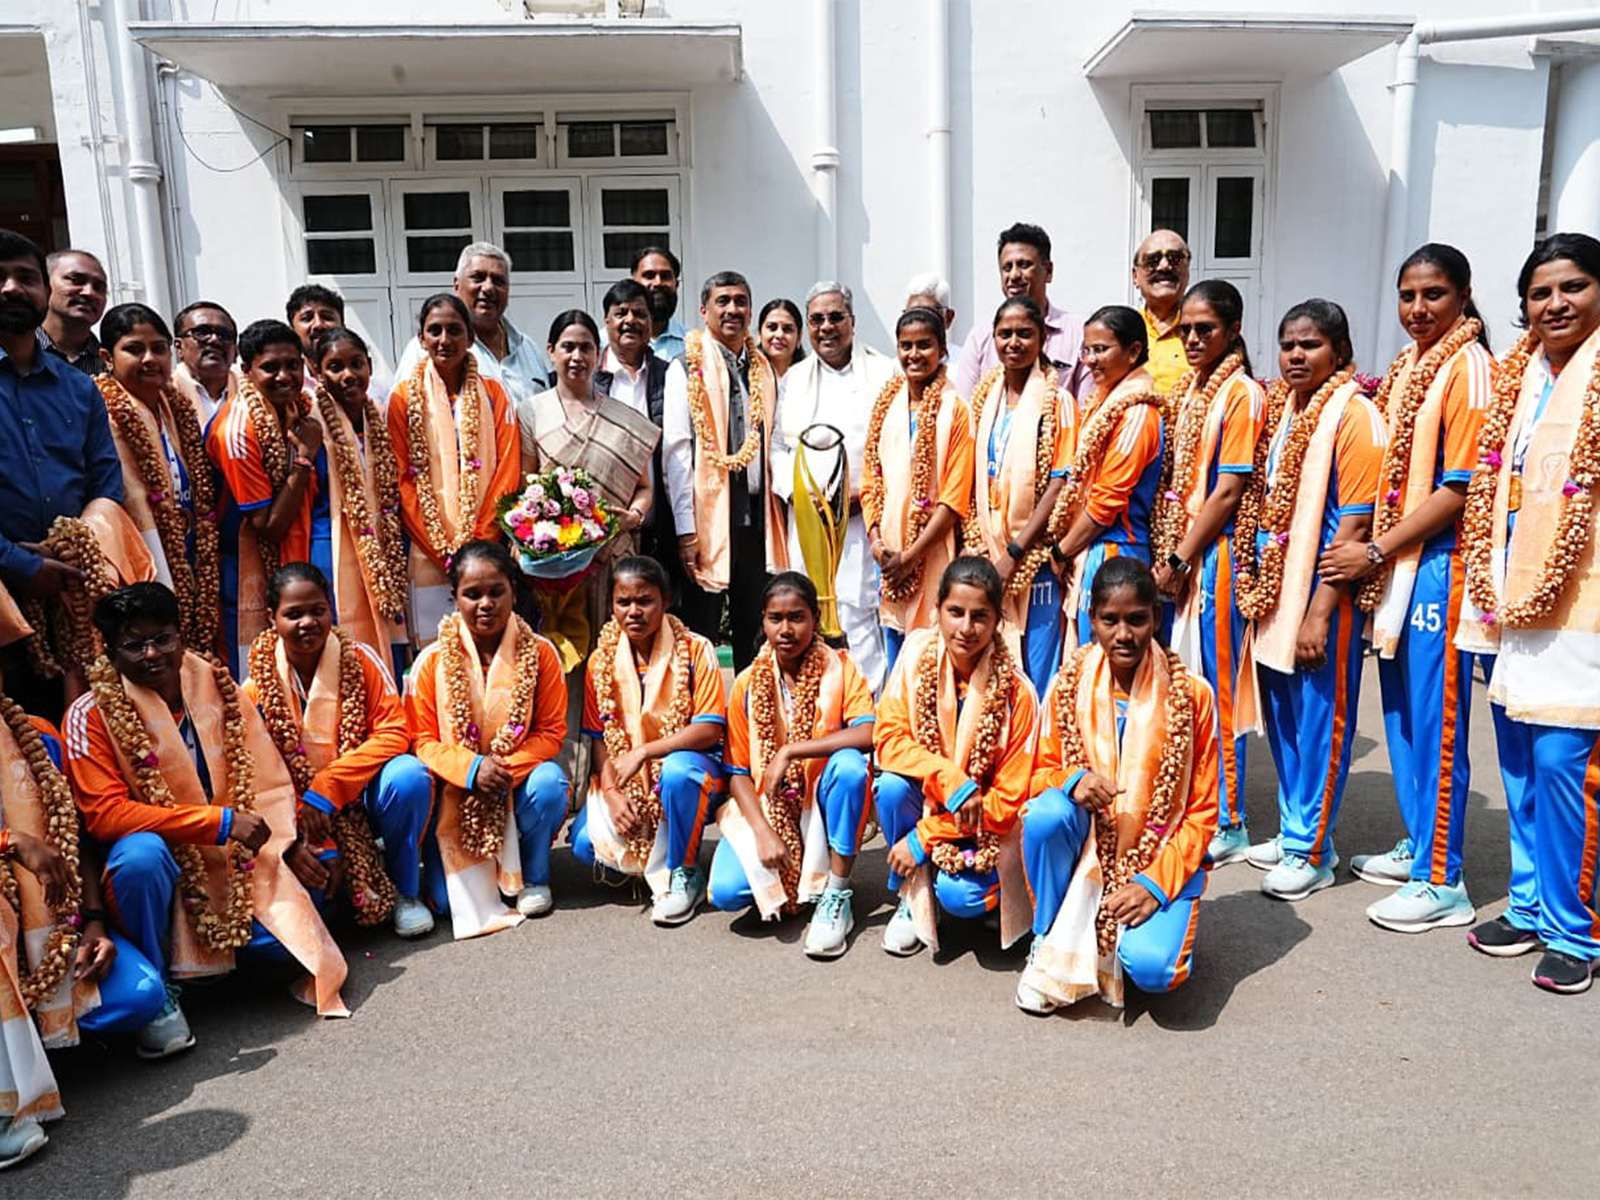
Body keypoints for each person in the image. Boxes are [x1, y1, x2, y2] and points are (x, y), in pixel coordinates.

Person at [65, 583, 351, 1057]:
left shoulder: (214, 683)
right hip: (158, 870)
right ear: (110, 652)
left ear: (181, 637)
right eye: (135, 645)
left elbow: (266, 778)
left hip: (233, 859)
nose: (152, 654)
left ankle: (219, 962)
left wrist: (287, 844)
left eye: (163, 639)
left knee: (301, 928)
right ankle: (162, 989)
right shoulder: (90, 713)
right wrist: (217, 824)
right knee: (141, 856)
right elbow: (105, 815)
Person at [1318, 244, 1496, 934]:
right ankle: (1422, 843)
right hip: (1402, 565)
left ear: (1463, 296)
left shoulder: (1469, 368)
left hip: (1439, 564)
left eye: (1433, 295)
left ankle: (1443, 878)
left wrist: (1375, 549)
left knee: (1436, 720)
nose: (1418, 309)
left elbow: (1459, 487)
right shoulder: (1411, 366)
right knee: (1401, 716)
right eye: (1408, 296)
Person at [1455, 233, 1600, 993]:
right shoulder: (1524, 377)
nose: (1556, 304)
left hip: (1583, 612)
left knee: (1567, 769)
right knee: (1518, 763)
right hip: (1514, 602)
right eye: (1541, 293)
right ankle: (1531, 903)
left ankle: (1576, 930)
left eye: (1573, 287)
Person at [1017, 556, 1219, 1012]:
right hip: (1086, 851)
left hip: (1157, 856)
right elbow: (1036, 777)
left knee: (1153, 969)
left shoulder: (1193, 696)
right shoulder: (1066, 685)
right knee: (1048, 814)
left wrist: (1153, 884)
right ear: (1092, 619)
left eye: (1136, 620)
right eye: (1110, 620)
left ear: (1156, 619)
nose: (1123, 634)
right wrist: (1072, 780)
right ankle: (1049, 935)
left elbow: (1203, 812)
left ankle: (1131, 931)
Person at [1232, 300, 1384, 901]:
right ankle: (1296, 827)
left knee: (1321, 722)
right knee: (1286, 723)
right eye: (1288, 345)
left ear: (1340, 352)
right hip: (1279, 590)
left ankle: (1313, 850)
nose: (1296, 355)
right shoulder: (1287, 411)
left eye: (1311, 345)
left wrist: (1320, 612)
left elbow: (1355, 524)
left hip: (1323, 594)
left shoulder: (1354, 414)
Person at [243, 564, 434, 940]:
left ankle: (406, 891)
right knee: (321, 894)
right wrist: (298, 831)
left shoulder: (359, 659)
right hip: (304, 816)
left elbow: (395, 731)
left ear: (331, 608)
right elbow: (258, 777)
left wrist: (330, 785)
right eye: (293, 614)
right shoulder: (255, 688)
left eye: (318, 610)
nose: (307, 623)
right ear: (271, 618)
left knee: (409, 777)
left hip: (363, 795)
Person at [1148, 281, 1264, 865]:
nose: (1193, 339)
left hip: (1217, 554)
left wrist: (1177, 558)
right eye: (1186, 330)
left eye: (1205, 330)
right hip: (1191, 549)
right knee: (1189, 682)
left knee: (1219, 686)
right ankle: (1200, 802)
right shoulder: (1192, 390)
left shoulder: (1239, 393)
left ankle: (1230, 816)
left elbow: (1227, 491)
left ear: (1233, 329)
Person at [872, 556, 1040, 957]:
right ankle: (912, 895)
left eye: (980, 616)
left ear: (998, 620)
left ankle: (978, 895)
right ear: (937, 610)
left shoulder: (1018, 692)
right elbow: (888, 739)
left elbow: (1009, 801)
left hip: (985, 825)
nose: (966, 628)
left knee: (961, 897)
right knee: (891, 788)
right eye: (955, 612)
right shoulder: (915, 658)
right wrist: (949, 778)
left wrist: (925, 836)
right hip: (930, 799)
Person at [518, 308, 658, 783]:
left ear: (600, 356)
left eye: (586, 348)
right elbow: (524, 490)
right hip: (554, 574)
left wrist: (634, 516)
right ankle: (563, 779)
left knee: (613, 666)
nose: (577, 356)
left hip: (614, 565)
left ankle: (614, 777)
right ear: (551, 352)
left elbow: (644, 489)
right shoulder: (531, 413)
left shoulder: (627, 420)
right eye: (568, 347)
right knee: (560, 670)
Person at [405, 541, 568, 936]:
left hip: (516, 781)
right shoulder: (431, 660)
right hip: (456, 792)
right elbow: (421, 739)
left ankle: (534, 877)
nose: (486, 604)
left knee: (550, 783)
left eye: (497, 592)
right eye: (472, 594)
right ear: (454, 597)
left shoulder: (542, 653)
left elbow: (551, 732)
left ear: (513, 591)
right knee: (446, 906)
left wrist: (500, 771)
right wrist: (472, 770)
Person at [708, 572, 875, 957]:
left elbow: (868, 733)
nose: (786, 629)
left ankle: (836, 891)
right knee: (729, 892)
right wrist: (763, 831)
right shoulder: (748, 682)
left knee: (850, 768)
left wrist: (792, 751)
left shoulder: (841, 667)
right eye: (776, 618)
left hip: (821, 804)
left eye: (797, 617)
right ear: (763, 621)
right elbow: (737, 774)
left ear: (816, 618)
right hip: (768, 807)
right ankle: (797, 872)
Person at [0, 230, 126, 719]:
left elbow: (105, 488)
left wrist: (71, 552)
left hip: (70, 592)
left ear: (43, 290)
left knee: (81, 728)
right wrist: (19, 562)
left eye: (25, 277)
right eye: (0, 277)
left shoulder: (79, 388)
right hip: (6, 593)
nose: (12, 288)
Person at [0, 685, 166, 1056]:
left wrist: (92, 922)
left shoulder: (36, 734)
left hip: (52, 935)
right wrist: (11, 842)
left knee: (142, 995)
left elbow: (78, 838)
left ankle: (42, 1028)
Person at [573, 555, 727, 925]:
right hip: (627, 779)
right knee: (584, 846)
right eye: (623, 602)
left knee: (677, 772)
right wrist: (613, 794)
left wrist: (644, 752)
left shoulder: (696, 649)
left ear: (666, 600)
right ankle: (651, 859)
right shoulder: (600, 660)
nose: (634, 612)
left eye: (645, 601)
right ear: (611, 605)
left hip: (692, 772)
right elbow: (600, 741)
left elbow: (709, 729)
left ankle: (684, 870)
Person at [771, 282, 898, 691]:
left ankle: (868, 709)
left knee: (859, 611)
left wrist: (867, 493)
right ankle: (816, 703)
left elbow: (900, 445)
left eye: (835, 317)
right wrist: (797, 491)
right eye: (817, 320)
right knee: (808, 607)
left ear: (852, 322)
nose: (826, 327)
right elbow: (777, 447)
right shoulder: (794, 378)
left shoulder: (885, 372)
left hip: (863, 520)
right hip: (809, 522)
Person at [662, 270, 784, 672]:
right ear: (704, 311)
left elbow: (775, 441)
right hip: (707, 521)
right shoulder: (686, 367)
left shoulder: (763, 368)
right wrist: (686, 531)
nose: (733, 309)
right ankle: (700, 709)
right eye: (723, 301)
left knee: (755, 628)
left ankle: (752, 707)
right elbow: (677, 453)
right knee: (701, 631)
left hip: (756, 521)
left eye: (741, 301)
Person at [388, 294, 520, 642]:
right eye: (435, 330)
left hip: (487, 543)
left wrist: (482, 540)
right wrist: (441, 550)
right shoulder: (403, 398)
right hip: (427, 548)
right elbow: (402, 478)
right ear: (421, 339)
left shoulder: (494, 393)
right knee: (438, 647)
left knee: (488, 639)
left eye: (454, 330)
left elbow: (508, 468)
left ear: (471, 337)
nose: (444, 339)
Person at [95, 303, 223, 660]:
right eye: (135, 349)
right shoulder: (101, 410)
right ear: (107, 357)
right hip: (137, 550)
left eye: (158, 348)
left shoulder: (175, 406)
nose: (150, 359)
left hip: (189, 546)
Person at [962, 295, 1072, 697]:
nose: (1013, 342)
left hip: (1033, 558)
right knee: (993, 668)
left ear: (1042, 338)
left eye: (1024, 333)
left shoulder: (1058, 402)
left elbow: (1060, 483)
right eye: (1004, 333)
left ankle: (1037, 737)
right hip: (986, 550)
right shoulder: (983, 399)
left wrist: (1015, 552)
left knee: (1038, 670)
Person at [862, 306, 975, 671]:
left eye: (924, 345)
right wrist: (877, 542)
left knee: (930, 651)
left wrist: (910, 556)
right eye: (906, 345)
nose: (914, 354)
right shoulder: (886, 405)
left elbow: (954, 498)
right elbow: (871, 480)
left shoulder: (956, 410)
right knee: (894, 653)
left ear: (942, 349)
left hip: (932, 551)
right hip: (888, 555)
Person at [206, 319, 320, 680]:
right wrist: (304, 459)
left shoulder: (293, 408)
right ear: (246, 370)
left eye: (292, 365)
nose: (285, 376)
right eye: (270, 367)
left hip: (292, 559)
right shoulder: (238, 429)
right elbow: (267, 526)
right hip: (244, 566)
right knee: (256, 673)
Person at [1048, 305, 1165, 646]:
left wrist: (1061, 551)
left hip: (1117, 550)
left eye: (1100, 349)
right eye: (1086, 350)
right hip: (1092, 545)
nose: (1089, 360)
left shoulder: (1137, 413)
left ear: (1133, 351)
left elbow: (1106, 502)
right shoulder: (1105, 402)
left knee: (1109, 655)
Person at [304, 327, 410, 673]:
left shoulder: (379, 415)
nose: (348, 375)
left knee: (391, 634)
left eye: (356, 364)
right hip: (332, 547)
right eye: (335, 367)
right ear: (318, 372)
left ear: (370, 367)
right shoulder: (311, 423)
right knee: (345, 642)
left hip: (386, 544)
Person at [393, 243, 554, 409]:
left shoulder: (527, 349)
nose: (488, 288)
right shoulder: (428, 349)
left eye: (498, 281)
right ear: (457, 285)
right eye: (478, 277)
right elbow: (402, 409)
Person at [595, 279, 687, 567]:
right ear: (606, 321)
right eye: (621, 313)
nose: (630, 321)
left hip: (660, 529)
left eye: (639, 313)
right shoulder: (590, 379)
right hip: (600, 533)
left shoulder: (671, 376)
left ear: (650, 321)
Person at [953, 222, 1089, 401]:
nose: (1014, 275)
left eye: (1024, 265)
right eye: (1007, 267)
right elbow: (965, 407)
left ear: (1048, 271)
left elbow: (1088, 406)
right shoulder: (981, 337)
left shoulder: (1078, 333)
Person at [1131, 231, 1192, 395]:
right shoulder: (1124, 332)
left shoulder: (1206, 333)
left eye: (1175, 259)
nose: (1164, 266)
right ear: (1135, 276)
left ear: (1187, 272)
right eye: (1152, 260)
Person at [40, 249, 108, 377]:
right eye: (75, 280)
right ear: (44, 285)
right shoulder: (13, 354)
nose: (89, 292)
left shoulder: (111, 365)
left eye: (99, 287)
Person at [171, 300, 237, 430]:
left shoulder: (252, 393)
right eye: (201, 333)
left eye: (224, 335)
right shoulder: (163, 394)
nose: (214, 340)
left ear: (236, 350)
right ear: (179, 348)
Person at [632, 245, 688, 362]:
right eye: (649, 276)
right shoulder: (604, 343)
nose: (658, 282)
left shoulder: (694, 345)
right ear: (634, 284)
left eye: (665, 276)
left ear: (676, 285)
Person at [904, 272, 963, 365]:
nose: (919, 323)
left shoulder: (966, 364)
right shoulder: (896, 367)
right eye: (911, 315)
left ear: (948, 318)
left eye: (928, 314)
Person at [757, 297, 805, 381]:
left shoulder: (811, 378)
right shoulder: (744, 376)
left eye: (787, 329)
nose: (779, 335)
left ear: (799, 337)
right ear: (759, 334)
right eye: (772, 327)